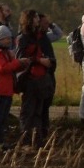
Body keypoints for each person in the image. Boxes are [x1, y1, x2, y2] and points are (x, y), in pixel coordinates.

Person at [16, 10, 57, 148]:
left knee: (38, 112)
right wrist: (39, 60)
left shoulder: (40, 36)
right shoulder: (24, 38)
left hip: (41, 78)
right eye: (35, 18)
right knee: (28, 112)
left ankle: (37, 140)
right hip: (30, 78)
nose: (37, 20)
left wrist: (49, 61)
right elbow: (21, 58)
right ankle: (25, 140)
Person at [0, 25, 23, 151]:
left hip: (7, 89)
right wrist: (18, 62)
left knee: (3, 118)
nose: (9, 41)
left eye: (9, 38)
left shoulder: (6, 52)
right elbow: (3, 68)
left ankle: (0, 141)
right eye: (6, 39)